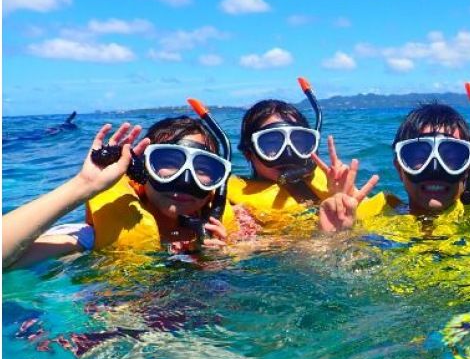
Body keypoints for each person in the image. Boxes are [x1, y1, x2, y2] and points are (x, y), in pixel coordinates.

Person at [3, 116, 241, 269]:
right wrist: (83, 186)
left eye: (203, 168)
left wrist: (223, 257)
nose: (185, 179)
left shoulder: (230, 234)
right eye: (167, 161)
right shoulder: (95, 235)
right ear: (140, 168)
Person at [317, 102, 470, 233]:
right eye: (418, 155)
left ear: (469, 167)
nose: (435, 168)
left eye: (451, 156)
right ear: (399, 168)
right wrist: (333, 240)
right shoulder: (373, 218)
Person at [228, 98, 366, 229]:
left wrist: (345, 197)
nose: (288, 153)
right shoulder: (241, 211)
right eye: (272, 144)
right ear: (248, 153)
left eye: (298, 142)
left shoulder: (329, 186)